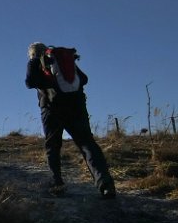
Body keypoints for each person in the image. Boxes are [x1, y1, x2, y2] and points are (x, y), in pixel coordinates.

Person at [25, 42, 116, 199]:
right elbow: (84, 79)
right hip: (77, 106)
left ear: (32, 53)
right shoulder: (60, 59)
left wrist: (44, 81)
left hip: (52, 108)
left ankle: (57, 184)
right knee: (87, 144)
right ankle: (106, 185)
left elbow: (29, 82)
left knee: (53, 146)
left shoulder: (35, 61)